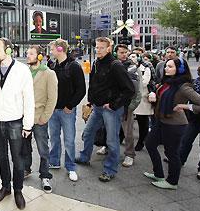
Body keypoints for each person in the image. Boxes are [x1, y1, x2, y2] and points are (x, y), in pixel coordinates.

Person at [144, 58, 200, 189]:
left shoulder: (184, 86)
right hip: (161, 120)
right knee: (150, 144)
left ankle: (172, 182)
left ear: (179, 69)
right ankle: (158, 174)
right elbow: (161, 98)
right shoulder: (167, 82)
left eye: (170, 66)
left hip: (175, 124)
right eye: (166, 66)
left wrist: (185, 106)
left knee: (171, 153)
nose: (166, 68)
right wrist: (153, 96)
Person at [75, 37, 135, 182]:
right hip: (97, 107)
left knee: (112, 140)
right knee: (88, 133)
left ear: (109, 48)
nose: (98, 50)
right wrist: (91, 101)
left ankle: (110, 169)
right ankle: (84, 157)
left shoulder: (116, 65)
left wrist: (114, 104)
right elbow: (94, 84)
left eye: (101, 47)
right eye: (97, 47)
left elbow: (129, 90)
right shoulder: (96, 63)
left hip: (111, 110)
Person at [0, 37, 34, 209]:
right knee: (1, 157)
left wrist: (28, 125)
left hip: (15, 122)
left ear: (8, 50)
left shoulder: (22, 70)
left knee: (18, 159)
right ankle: (5, 187)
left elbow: (29, 99)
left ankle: (18, 190)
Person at [48, 39, 86, 181]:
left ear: (59, 49)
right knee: (54, 137)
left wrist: (70, 105)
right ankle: (54, 161)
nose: (50, 52)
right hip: (52, 109)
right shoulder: (51, 65)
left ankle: (71, 167)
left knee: (69, 140)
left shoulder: (74, 66)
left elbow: (81, 89)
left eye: (52, 49)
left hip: (67, 111)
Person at [22, 45, 58, 193]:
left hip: (39, 118)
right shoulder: (23, 72)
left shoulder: (48, 74)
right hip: (24, 118)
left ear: (40, 56)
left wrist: (45, 117)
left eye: (31, 53)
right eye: (27, 53)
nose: (27, 56)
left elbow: (52, 98)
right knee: (24, 147)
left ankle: (45, 175)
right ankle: (26, 168)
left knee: (43, 149)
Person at [179, 62, 200, 180]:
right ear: (199, 72)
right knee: (185, 140)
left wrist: (188, 107)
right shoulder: (193, 84)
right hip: (193, 119)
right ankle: (180, 160)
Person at [131, 53, 154, 151]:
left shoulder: (145, 68)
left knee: (142, 121)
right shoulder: (129, 67)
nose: (131, 58)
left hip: (142, 98)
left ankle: (141, 141)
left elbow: (144, 82)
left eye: (134, 56)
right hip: (131, 97)